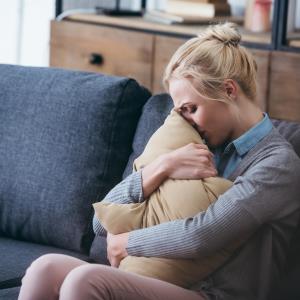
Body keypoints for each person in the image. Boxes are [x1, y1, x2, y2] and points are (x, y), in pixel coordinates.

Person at [18, 22, 300, 300]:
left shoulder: (277, 166)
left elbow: (202, 234)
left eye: (191, 109)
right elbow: (101, 224)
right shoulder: (194, 145)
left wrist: (127, 244)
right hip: (156, 279)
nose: (186, 120)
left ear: (228, 90)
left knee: (85, 280)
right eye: (181, 112)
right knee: (47, 268)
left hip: (212, 293)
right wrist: (163, 166)